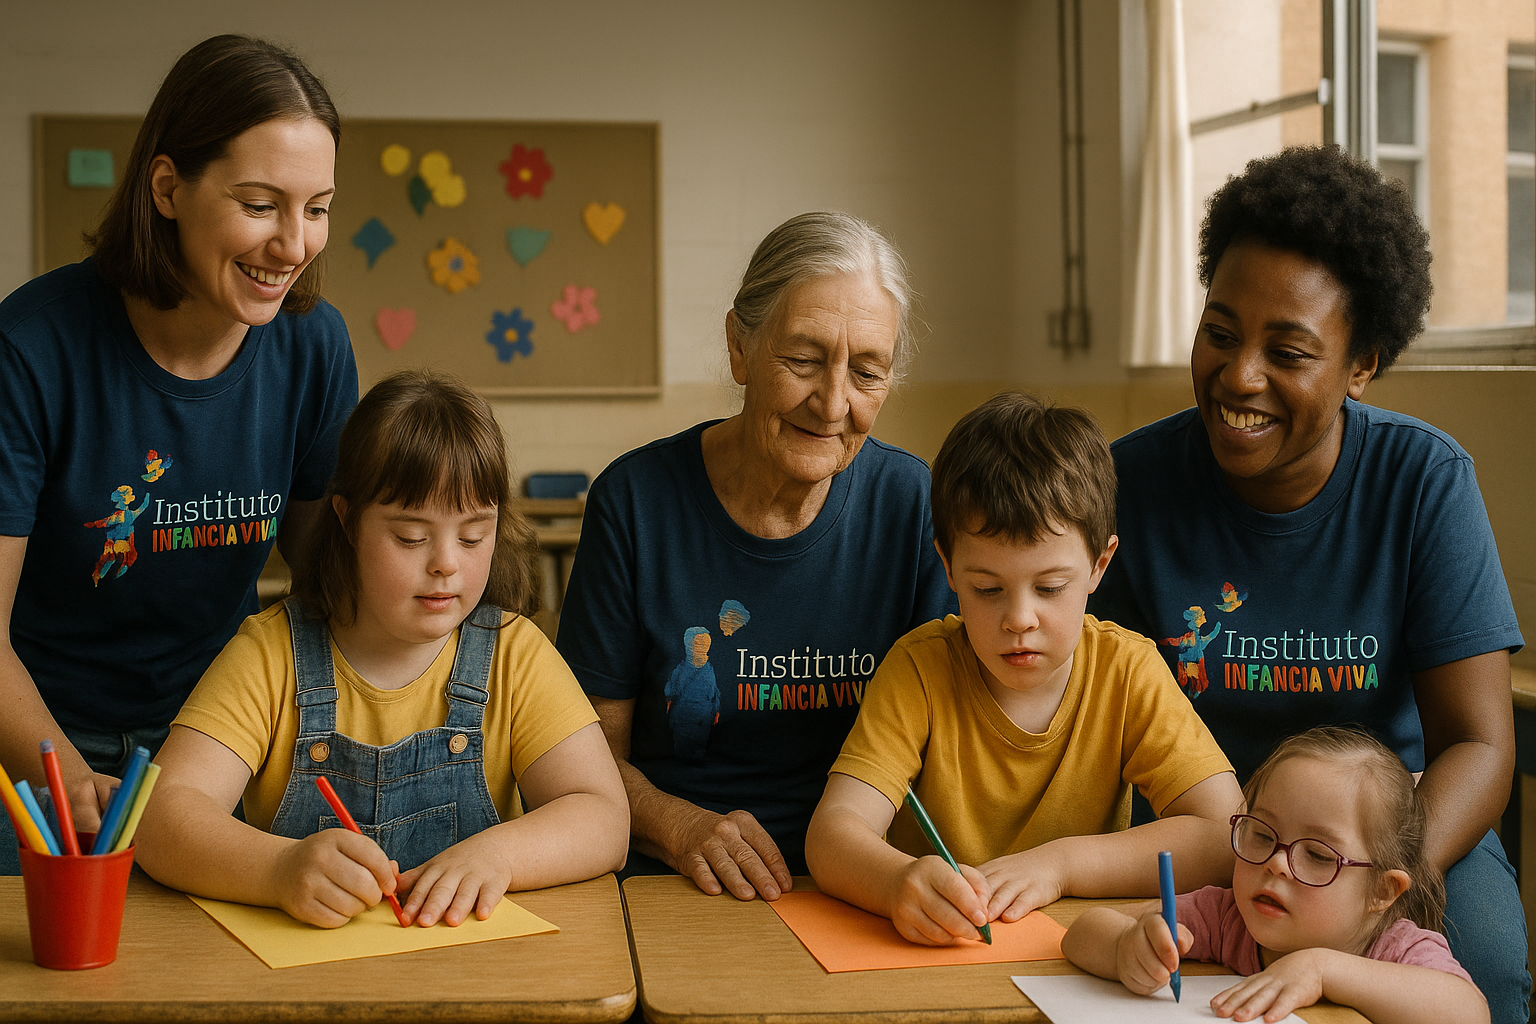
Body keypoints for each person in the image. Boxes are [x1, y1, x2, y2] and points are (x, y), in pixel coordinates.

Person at [1088, 145, 1528, 1022]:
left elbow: (1481, 745)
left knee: (1491, 973)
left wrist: (1366, 890)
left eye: (1287, 350)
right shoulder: (1128, 485)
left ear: (1361, 362)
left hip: (1391, 840)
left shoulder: (1424, 482)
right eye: (1220, 332)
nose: (1240, 375)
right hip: (1212, 835)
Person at [0, 35, 358, 873]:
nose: (295, 245)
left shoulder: (314, 346)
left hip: (216, 741)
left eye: (317, 208)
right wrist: (66, 776)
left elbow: (329, 580)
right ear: (167, 187)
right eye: (262, 204)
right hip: (39, 746)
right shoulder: (31, 348)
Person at [556, 211, 957, 901]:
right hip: (676, 878)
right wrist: (679, 828)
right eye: (802, 359)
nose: (833, 403)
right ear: (740, 348)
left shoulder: (912, 503)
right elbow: (584, 759)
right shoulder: (635, 502)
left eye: (867, 372)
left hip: (866, 884)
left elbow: (949, 748)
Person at [136, 371, 628, 928]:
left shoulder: (515, 654)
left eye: (473, 536)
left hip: (478, 976)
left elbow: (605, 818)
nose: (446, 562)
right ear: (346, 520)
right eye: (411, 537)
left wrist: (500, 855)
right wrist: (276, 871)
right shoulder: (270, 654)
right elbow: (159, 816)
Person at [804, 393, 1242, 945]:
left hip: (1083, 958)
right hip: (935, 958)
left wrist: (1060, 866)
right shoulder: (919, 670)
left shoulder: (1127, 672)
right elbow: (832, 835)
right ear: (949, 568)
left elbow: (1226, 836)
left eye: (1050, 587)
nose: (1019, 619)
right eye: (987, 588)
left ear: (1099, 566)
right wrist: (897, 884)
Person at [1062, 727, 1488, 1024]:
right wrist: (1124, 948)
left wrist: (1323, 970)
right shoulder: (1226, 916)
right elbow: (1081, 934)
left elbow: (1469, 1013)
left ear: (1382, 890)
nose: (1276, 863)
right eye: (1263, 835)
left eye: (1318, 855)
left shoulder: (1397, 948)